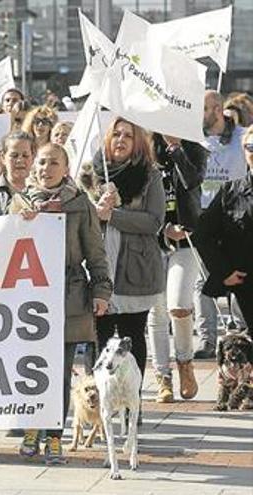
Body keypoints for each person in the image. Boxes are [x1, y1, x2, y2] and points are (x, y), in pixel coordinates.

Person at [17, 143, 112, 465]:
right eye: (41, 161)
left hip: (69, 297)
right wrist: (21, 222)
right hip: (26, 299)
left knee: (58, 372)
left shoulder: (79, 204)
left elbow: (96, 252)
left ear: (66, 168)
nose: (46, 168)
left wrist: (101, 291)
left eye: (53, 162)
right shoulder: (18, 202)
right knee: (29, 369)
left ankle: (54, 435)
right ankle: (32, 427)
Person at [91, 117, 165, 420]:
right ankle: (102, 405)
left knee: (133, 335)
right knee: (100, 338)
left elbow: (154, 221)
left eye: (129, 136)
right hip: (100, 268)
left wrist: (115, 215)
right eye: (116, 134)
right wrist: (97, 210)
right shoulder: (91, 173)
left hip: (135, 268)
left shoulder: (150, 176)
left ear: (139, 143)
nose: (121, 140)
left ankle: (133, 407)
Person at [146, 133, 208, 403]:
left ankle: (185, 362)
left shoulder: (195, 151)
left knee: (179, 305)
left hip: (187, 239)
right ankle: (162, 376)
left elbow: (191, 181)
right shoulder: (146, 152)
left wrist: (176, 148)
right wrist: (163, 230)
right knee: (157, 310)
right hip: (153, 241)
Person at [194, 90, 249, 359]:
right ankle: (206, 339)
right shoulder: (194, 139)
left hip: (236, 223)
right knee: (202, 283)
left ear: (217, 109)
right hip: (205, 219)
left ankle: (240, 332)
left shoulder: (240, 136)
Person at [195, 126, 253, 324]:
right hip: (246, 287)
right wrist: (223, 272)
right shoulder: (230, 191)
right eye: (250, 147)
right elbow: (203, 234)